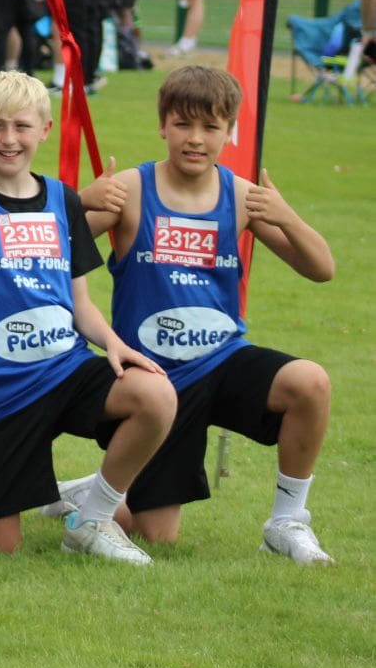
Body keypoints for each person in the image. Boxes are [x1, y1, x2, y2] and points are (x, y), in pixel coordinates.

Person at [0, 71, 175, 563]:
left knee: (156, 394)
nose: (8, 139)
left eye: (21, 126)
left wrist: (113, 343)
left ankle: (92, 517)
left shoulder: (65, 199)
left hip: (65, 370)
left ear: (45, 129)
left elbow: (79, 303)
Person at [91, 67, 336, 562]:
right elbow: (50, 253)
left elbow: (322, 268)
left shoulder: (242, 196)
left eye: (210, 127)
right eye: (183, 125)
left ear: (230, 131)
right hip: (157, 380)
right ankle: (89, 493)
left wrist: (285, 214)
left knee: (310, 382)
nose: (196, 140)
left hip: (223, 360)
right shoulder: (131, 190)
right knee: (158, 536)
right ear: (163, 125)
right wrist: (82, 203)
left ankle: (287, 522)